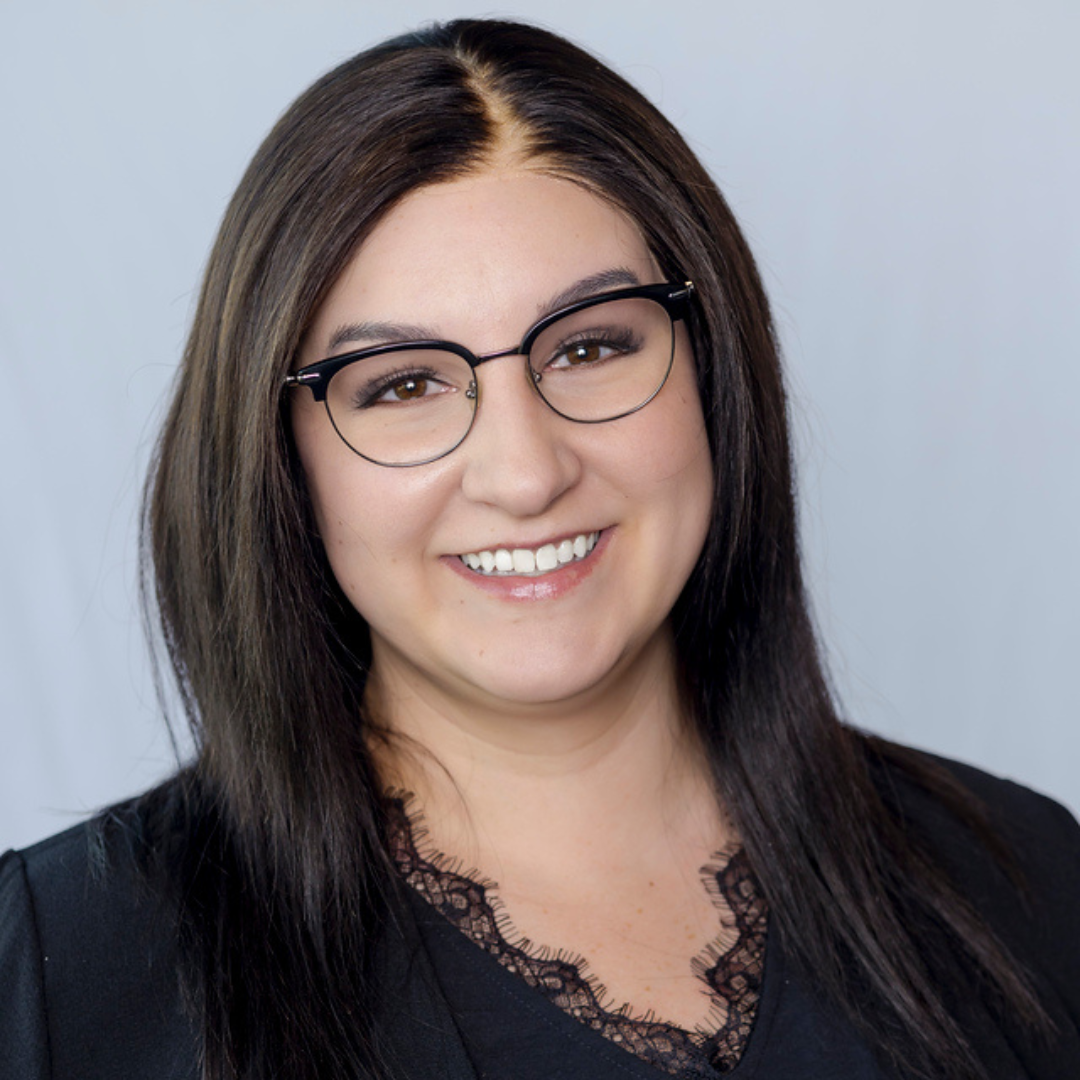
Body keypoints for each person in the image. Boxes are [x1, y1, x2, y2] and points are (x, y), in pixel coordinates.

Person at [1, 18, 1077, 1080]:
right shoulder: (63, 980)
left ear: (712, 371)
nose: (525, 473)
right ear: (278, 459)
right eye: (405, 386)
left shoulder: (1028, 884)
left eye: (593, 345)